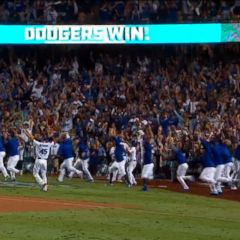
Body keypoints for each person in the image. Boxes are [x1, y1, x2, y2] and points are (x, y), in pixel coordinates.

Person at [141, 127, 154, 191]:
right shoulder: (146, 144)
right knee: (143, 176)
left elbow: (150, 136)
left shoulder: (148, 144)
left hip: (149, 163)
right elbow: (148, 137)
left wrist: (149, 129)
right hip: (146, 163)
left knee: (145, 175)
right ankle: (145, 187)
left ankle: (145, 188)